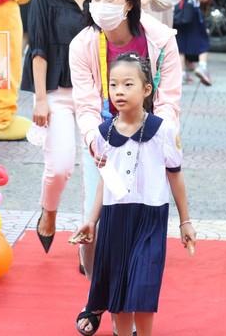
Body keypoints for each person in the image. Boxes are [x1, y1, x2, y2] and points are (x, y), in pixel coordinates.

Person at [69, 0, 183, 335]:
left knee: (142, 234)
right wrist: (95, 141)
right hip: (105, 139)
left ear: (129, 3)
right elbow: (85, 105)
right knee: (97, 224)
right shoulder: (83, 44)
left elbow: (169, 100)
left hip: (150, 138)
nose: (102, 6)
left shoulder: (162, 39)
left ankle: (129, 314)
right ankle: (96, 299)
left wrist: (154, 134)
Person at [72, 52, 195, 336]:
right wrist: (92, 220)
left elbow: (175, 176)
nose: (119, 91)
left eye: (128, 84)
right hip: (116, 218)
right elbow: (107, 179)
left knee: (143, 285)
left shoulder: (163, 131)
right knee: (118, 288)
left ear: (147, 89)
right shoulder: (103, 133)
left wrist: (185, 221)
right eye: (113, 85)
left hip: (151, 217)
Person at [20, 0, 104, 253]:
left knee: (97, 170)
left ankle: (90, 248)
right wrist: (40, 100)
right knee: (60, 167)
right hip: (58, 91)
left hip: (96, 94)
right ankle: (49, 210)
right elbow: (38, 49)